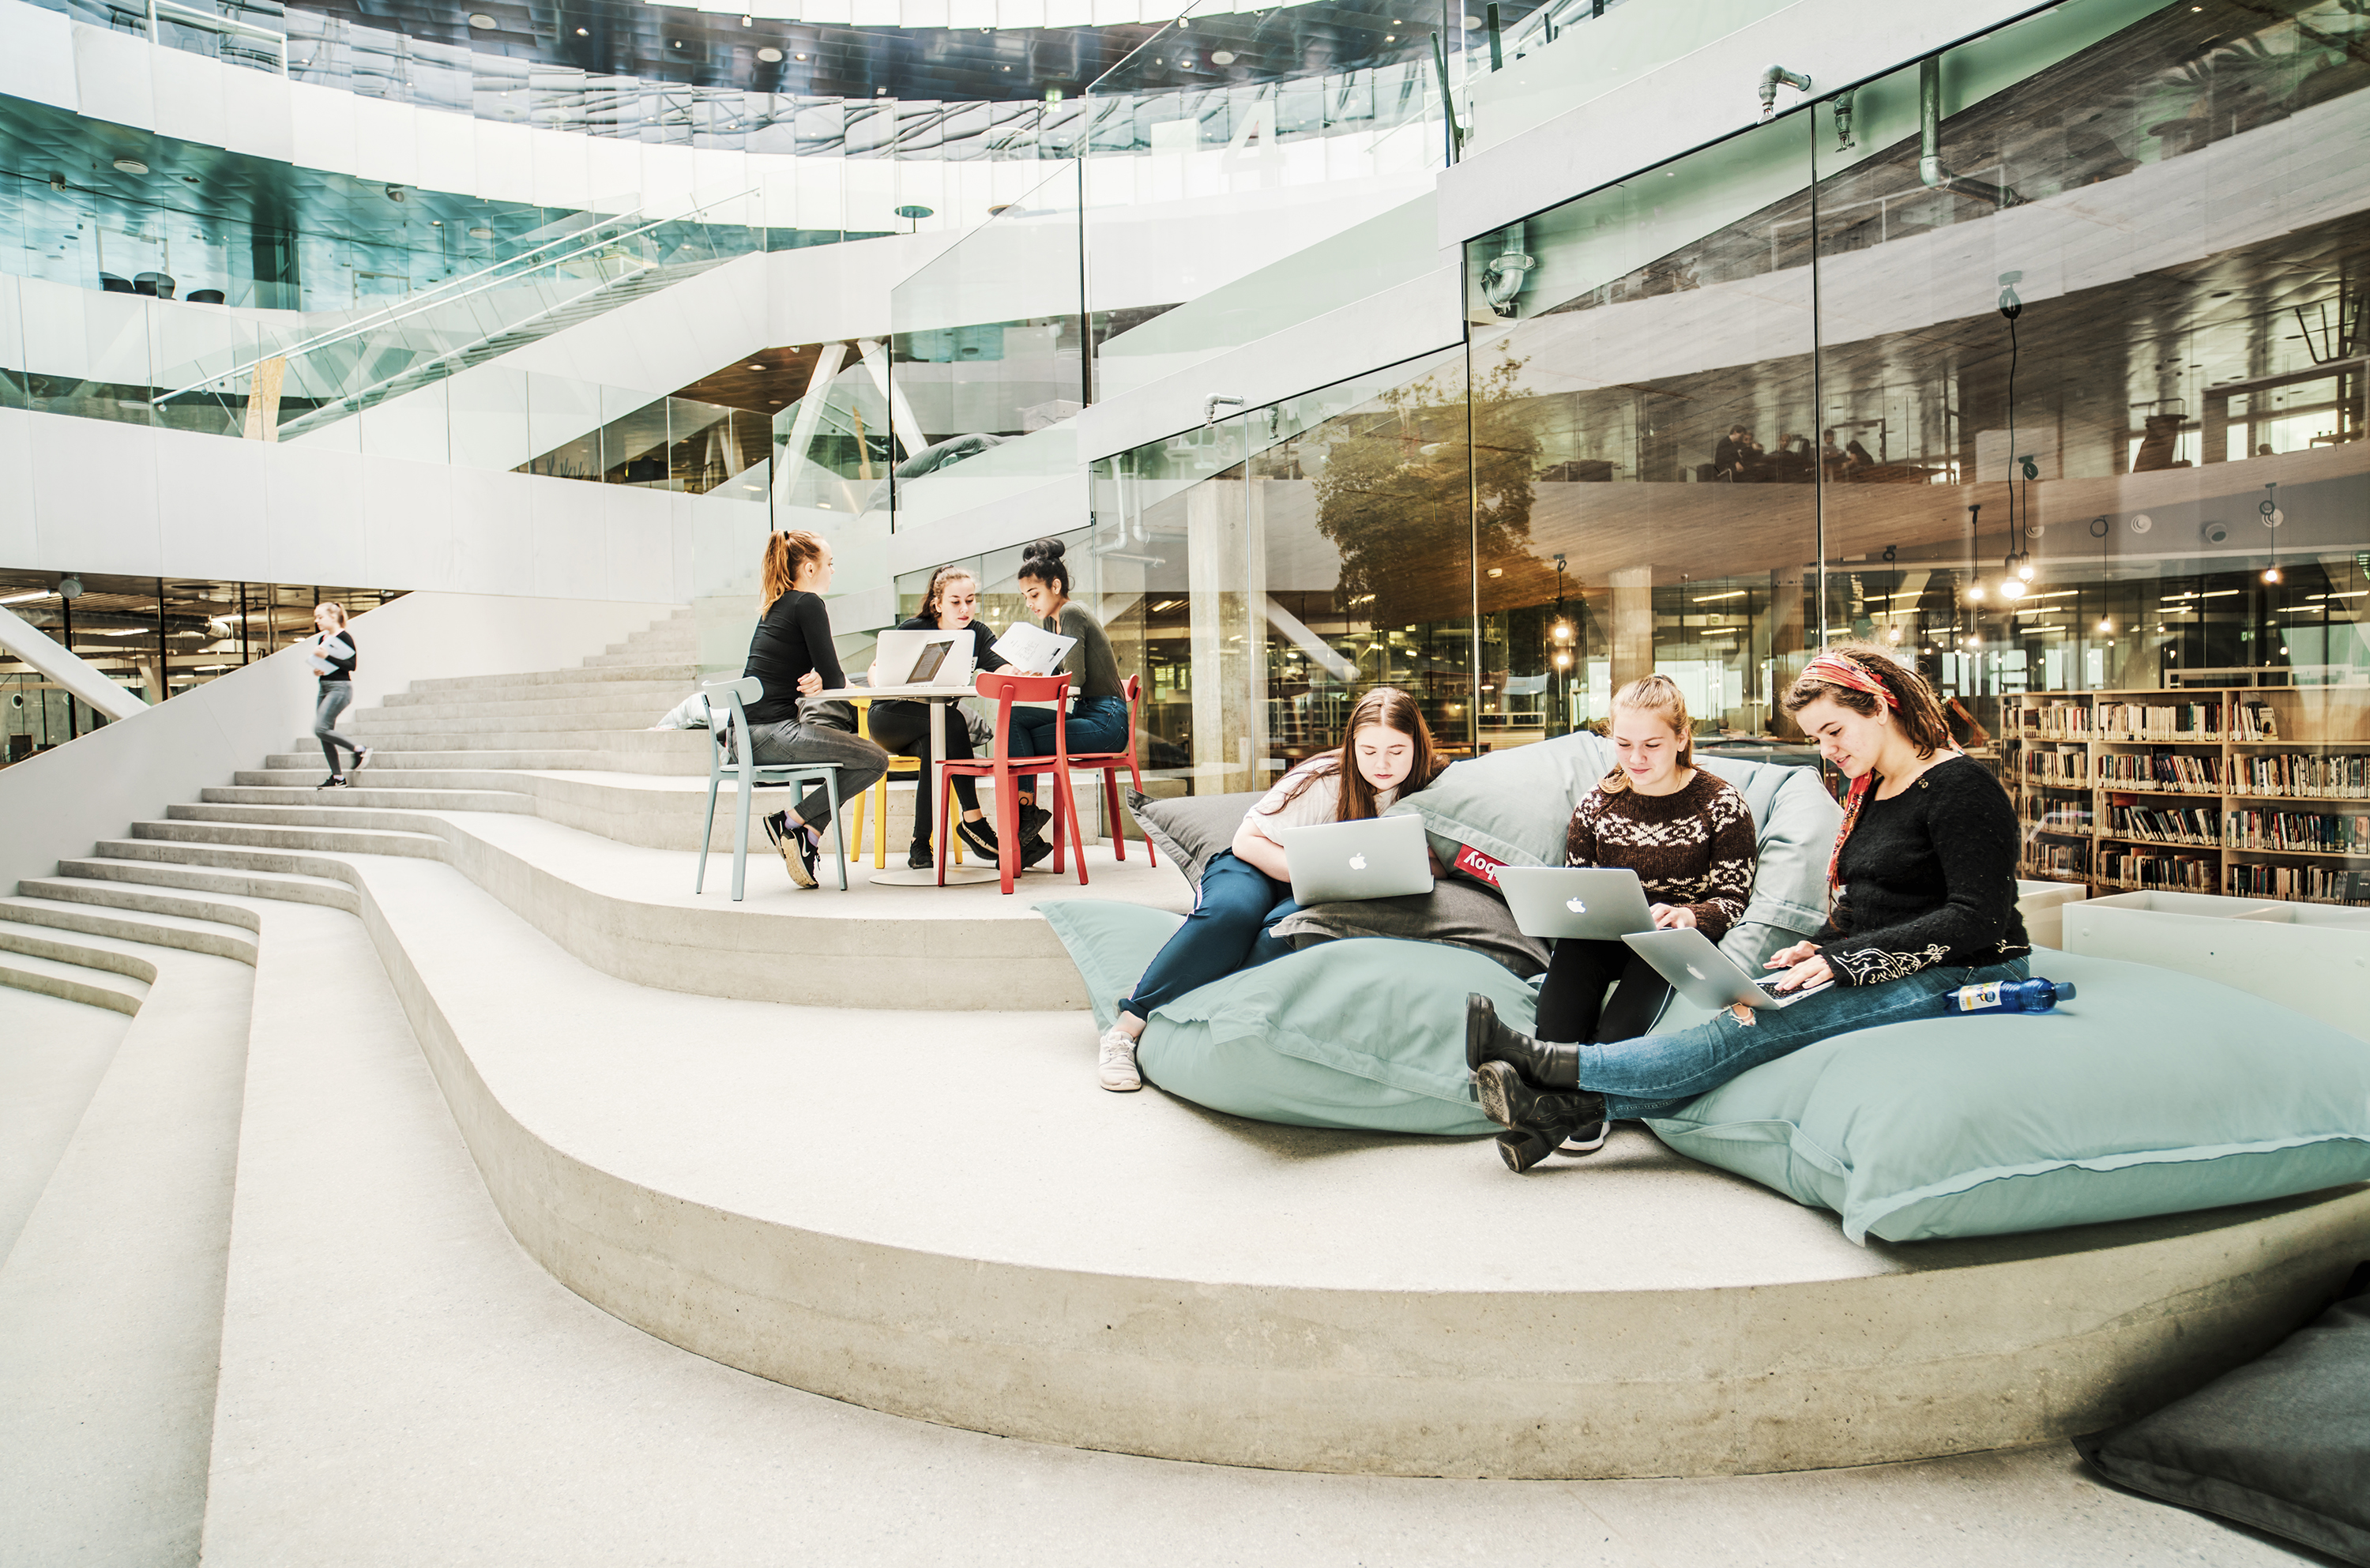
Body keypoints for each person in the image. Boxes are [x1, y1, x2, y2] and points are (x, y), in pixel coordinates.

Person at [1463, 644, 2030, 1172]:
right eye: (1818, 738)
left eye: (1835, 730)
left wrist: (1843, 959)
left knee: (1747, 1030)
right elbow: (1871, 903)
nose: (1829, 750)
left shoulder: (1962, 787)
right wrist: (1824, 943)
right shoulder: (1873, 788)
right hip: (1884, 957)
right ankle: (1561, 1118)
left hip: (1971, 967)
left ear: (1881, 706)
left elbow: (1977, 917)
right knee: (1743, 1008)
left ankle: (1543, 1066)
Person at [1094, 686, 1444, 1092]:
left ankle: (1196, 1010)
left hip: (1330, 885)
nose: (1382, 764)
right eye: (1368, 751)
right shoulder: (1321, 778)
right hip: (1256, 865)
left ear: (1417, 744)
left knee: (1286, 933)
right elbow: (1247, 841)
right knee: (1232, 917)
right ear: (1352, 745)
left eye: (1397, 752)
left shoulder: (1433, 786)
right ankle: (1126, 1028)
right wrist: (1311, 874)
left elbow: (1438, 859)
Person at [1527, 675, 1757, 1156]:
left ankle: (1582, 1102)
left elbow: (1733, 898)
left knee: (1620, 1027)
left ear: (1681, 738)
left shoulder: (1721, 803)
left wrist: (1690, 916)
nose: (1636, 758)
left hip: (1669, 941)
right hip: (1603, 936)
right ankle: (1548, 1079)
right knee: (1572, 956)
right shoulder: (1598, 803)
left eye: (1652, 744)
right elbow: (1577, 889)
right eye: (1623, 743)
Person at [741, 530, 890, 889]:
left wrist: (820, 681)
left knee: (863, 758)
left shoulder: (777, 606)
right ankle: (791, 820)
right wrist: (835, 681)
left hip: (747, 734)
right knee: (875, 759)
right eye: (830, 564)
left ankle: (807, 832)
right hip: (769, 734)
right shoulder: (807, 603)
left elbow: (817, 677)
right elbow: (838, 680)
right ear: (809, 568)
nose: (833, 571)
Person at [867, 565, 1010, 869]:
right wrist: (880, 679)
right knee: (952, 720)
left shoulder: (977, 634)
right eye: (956, 602)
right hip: (890, 718)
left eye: (970, 600)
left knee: (938, 748)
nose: (964, 608)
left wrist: (1020, 671)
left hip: (932, 726)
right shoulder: (914, 628)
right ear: (938, 603)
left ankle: (920, 847)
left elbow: (1001, 666)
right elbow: (875, 669)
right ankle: (974, 820)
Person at [1003, 538, 1130, 869]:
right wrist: (1026, 673)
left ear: (1055, 585)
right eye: (1025, 598)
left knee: (1018, 736)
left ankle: (1024, 823)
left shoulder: (1072, 612)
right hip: (1084, 714)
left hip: (1106, 721)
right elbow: (1056, 677)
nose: (1030, 603)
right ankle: (1026, 821)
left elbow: (1073, 681)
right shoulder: (1051, 621)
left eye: (1034, 595)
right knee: (1014, 721)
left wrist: (1032, 678)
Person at [308, 601, 370, 788]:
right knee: (324, 733)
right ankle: (338, 778)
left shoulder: (344, 637)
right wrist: (319, 669)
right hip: (324, 686)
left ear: (333, 617)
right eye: (316, 617)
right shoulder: (323, 639)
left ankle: (359, 749)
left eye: (320, 617)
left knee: (320, 728)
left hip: (340, 688)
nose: (317, 621)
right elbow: (329, 666)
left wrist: (326, 657)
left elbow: (351, 666)